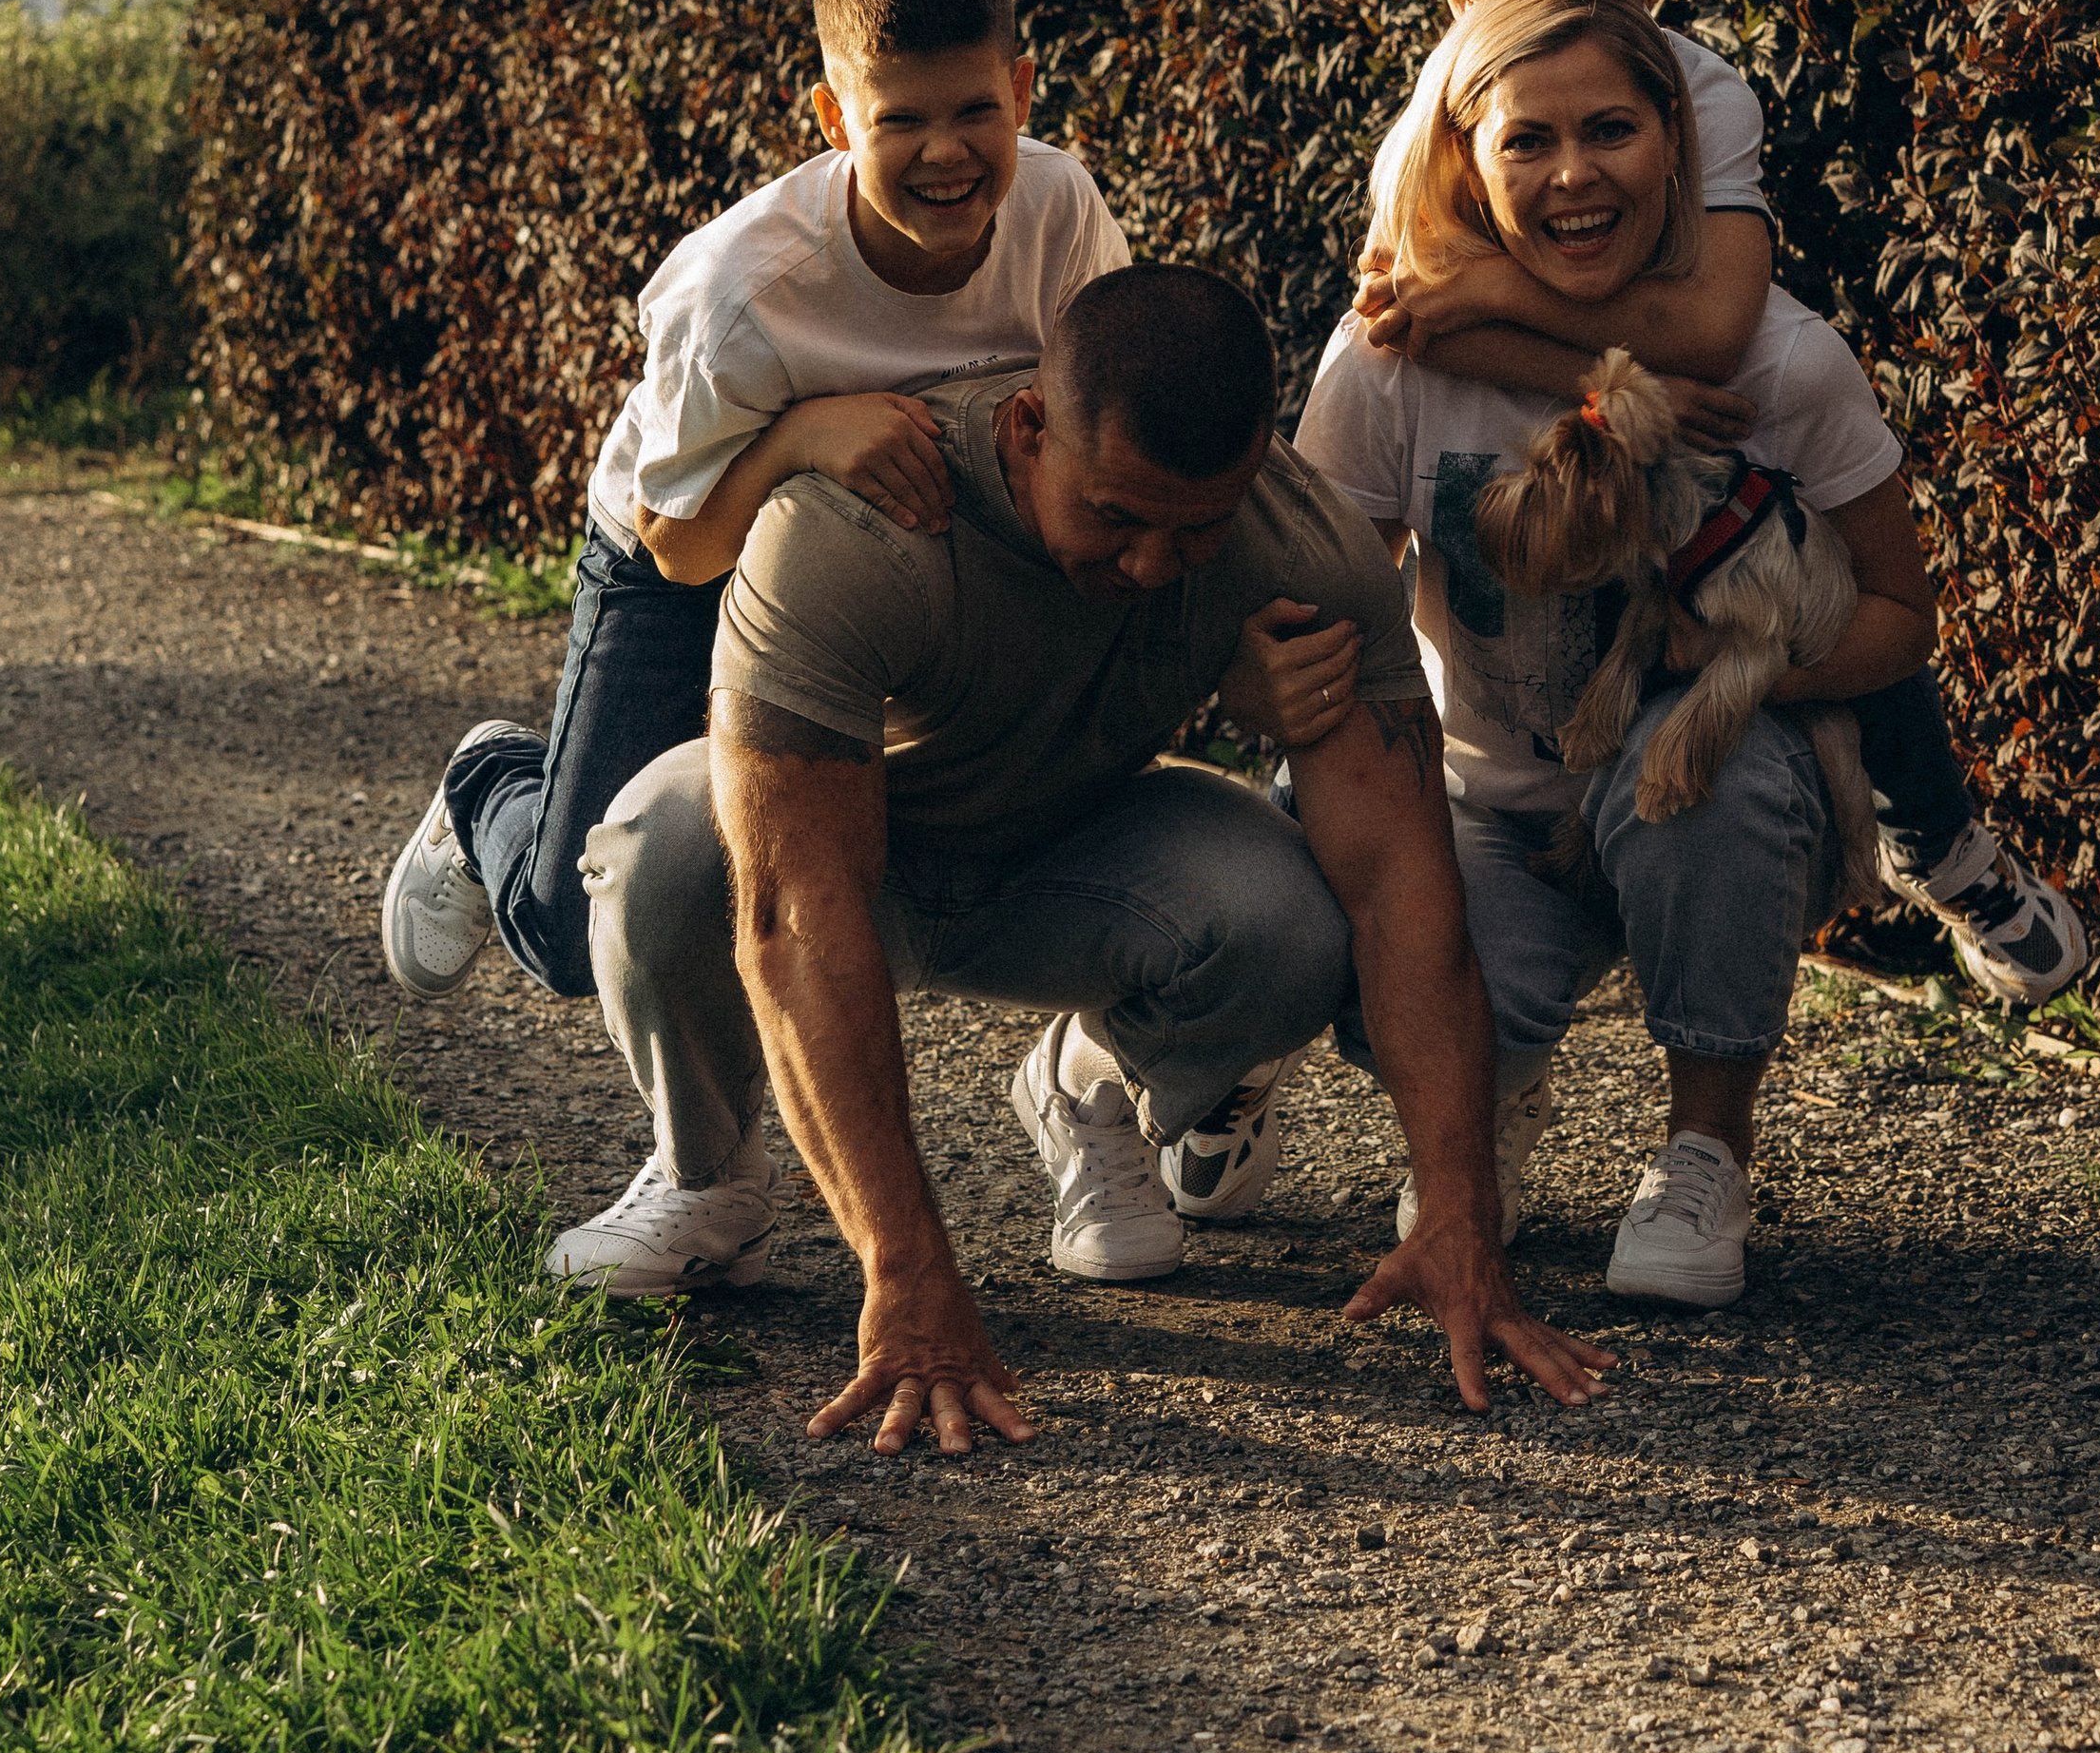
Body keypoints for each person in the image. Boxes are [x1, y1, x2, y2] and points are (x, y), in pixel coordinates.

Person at [546, 262, 1616, 1452]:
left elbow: (1403, 892)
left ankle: (1086, 1076)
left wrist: (1458, 1212)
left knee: (1293, 924)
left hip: (1063, 859)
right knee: (668, 845)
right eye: (1114, 516)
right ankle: (709, 1179)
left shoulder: (1302, 544)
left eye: (1196, 529)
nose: (1155, 563)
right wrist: (905, 1273)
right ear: (1027, 427)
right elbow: (795, 916)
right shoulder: (854, 529)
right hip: (859, 855)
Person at [1351, 0, 2086, 1011]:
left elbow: (1713, 323)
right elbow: (1410, 326)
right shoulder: (1438, 100)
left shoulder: (1706, 89)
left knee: (1829, 578)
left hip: (1723, 430)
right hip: (1597, 437)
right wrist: (1593, 377)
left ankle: (1938, 843)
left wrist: (1501, 298)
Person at [1298, 0, 1963, 1306]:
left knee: (1705, 783)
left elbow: (1899, 617)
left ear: (1675, 136)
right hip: (1489, 804)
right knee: (1384, 971)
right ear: (1468, 166)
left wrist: (1726, 675)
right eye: (1525, 141)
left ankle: (1706, 1145)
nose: (1572, 175)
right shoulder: (1391, 362)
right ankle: (1480, 1105)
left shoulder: (1781, 366)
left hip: (1700, 778)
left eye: (1610, 129)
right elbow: (1321, 592)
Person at [376, 0, 1129, 1009]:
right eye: (898, 120)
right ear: (833, 119)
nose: (945, 151)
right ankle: (488, 782)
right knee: (573, 934)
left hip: (896, 553)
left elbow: (1095, 418)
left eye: (975, 109)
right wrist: (799, 437)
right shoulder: (741, 289)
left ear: (1020, 90)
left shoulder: (1060, 211)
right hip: (687, 534)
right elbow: (676, 545)